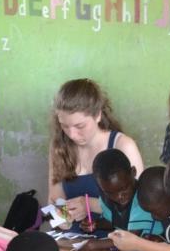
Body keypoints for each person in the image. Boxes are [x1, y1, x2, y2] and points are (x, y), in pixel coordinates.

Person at [49, 79, 144, 230]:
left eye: (80, 126)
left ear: (98, 115)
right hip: (73, 239)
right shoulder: (59, 147)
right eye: (64, 126)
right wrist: (63, 219)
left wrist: (89, 205)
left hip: (117, 238)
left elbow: (140, 207)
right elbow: (54, 199)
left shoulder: (123, 145)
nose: (72, 134)